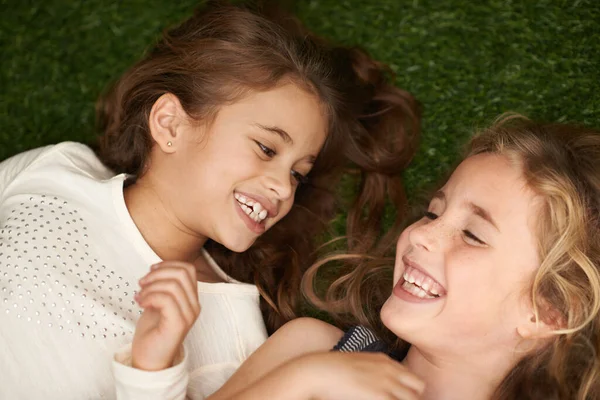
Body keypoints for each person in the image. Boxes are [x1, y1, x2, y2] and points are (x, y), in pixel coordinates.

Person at [0, 1, 420, 399]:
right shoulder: (57, 171)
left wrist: (153, 371)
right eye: (266, 148)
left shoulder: (231, 331)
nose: (284, 188)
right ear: (170, 124)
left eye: (298, 174)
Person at [132, 115, 600, 399]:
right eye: (433, 212)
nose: (423, 236)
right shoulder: (313, 349)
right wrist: (303, 381)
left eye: (473, 235)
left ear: (547, 311)